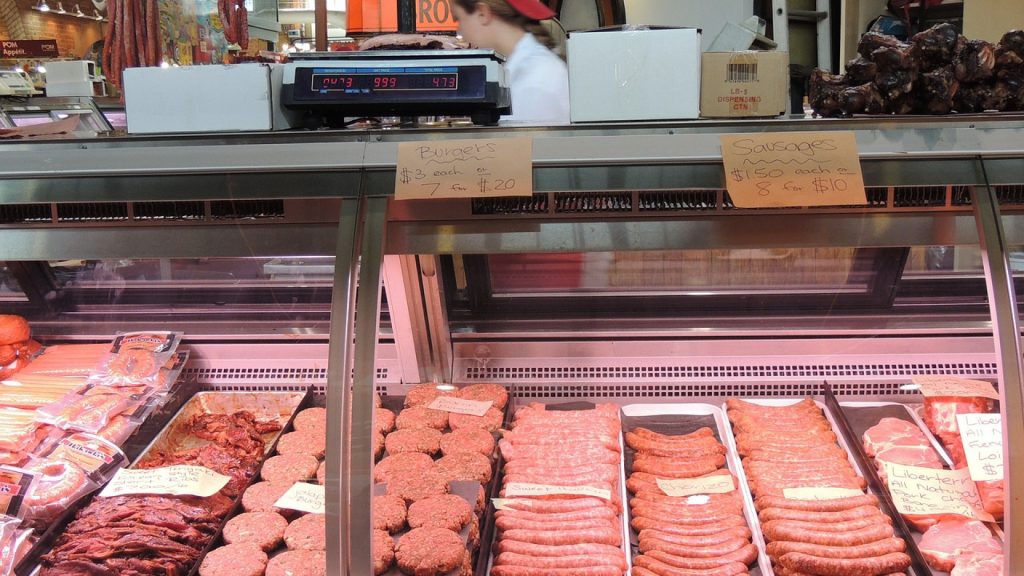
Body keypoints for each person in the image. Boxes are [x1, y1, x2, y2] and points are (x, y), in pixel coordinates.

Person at [452, 0, 570, 126]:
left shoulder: (534, 80)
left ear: (483, 13)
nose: (460, 32)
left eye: (459, 19)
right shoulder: (527, 68)